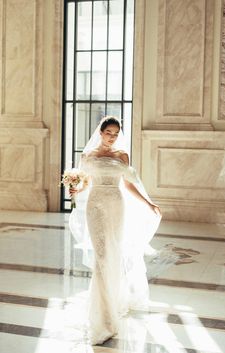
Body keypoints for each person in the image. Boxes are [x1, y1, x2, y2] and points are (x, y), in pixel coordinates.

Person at [69, 116, 162, 345]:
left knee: (112, 254)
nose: (112, 137)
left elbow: (129, 184)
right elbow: (86, 183)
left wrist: (148, 204)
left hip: (116, 205)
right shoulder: (87, 156)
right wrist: (75, 190)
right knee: (101, 256)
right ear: (100, 132)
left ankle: (111, 304)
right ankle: (103, 318)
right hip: (95, 205)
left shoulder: (122, 156)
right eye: (109, 132)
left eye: (116, 134)